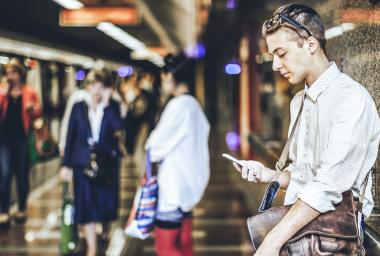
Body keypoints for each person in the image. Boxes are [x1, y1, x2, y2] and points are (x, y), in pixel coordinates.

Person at [233, 4, 380, 256]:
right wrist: (268, 175)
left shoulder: (351, 99)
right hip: (302, 236)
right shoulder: (298, 102)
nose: (276, 65)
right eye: (273, 56)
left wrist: (272, 241)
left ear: (310, 45)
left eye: (281, 53)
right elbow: (303, 175)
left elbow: (327, 186)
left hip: (332, 241)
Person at [144, 53, 210, 256]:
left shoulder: (177, 106)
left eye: (164, 80)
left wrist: (145, 173)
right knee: (184, 245)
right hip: (189, 189)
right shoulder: (195, 106)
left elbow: (153, 146)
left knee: (165, 249)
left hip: (172, 190)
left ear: (171, 78)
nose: (163, 85)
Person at [59, 69, 123, 256]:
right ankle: (92, 249)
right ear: (87, 86)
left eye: (101, 86)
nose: (96, 90)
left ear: (106, 88)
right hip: (81, 163)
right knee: (85, 206)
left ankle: (105, 231)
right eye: (92, 85)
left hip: (105, 164)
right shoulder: (79, 106)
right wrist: (65, 164)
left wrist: (107, 104)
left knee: (105, 204)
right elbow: (70, 136)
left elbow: (119, 130)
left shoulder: (112, 108)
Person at [0, 58, 42, 229]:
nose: (11, 76)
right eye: (8, 73)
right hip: (4, 141)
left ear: (20, 74)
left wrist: (33, 109)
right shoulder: (2, 93)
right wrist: (5, 93)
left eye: (14, 73)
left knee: (22, 175)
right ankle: (4, 210)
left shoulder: (29, 93)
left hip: (23, 139)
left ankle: (22, 208)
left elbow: (38, 112)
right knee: (4, 175)